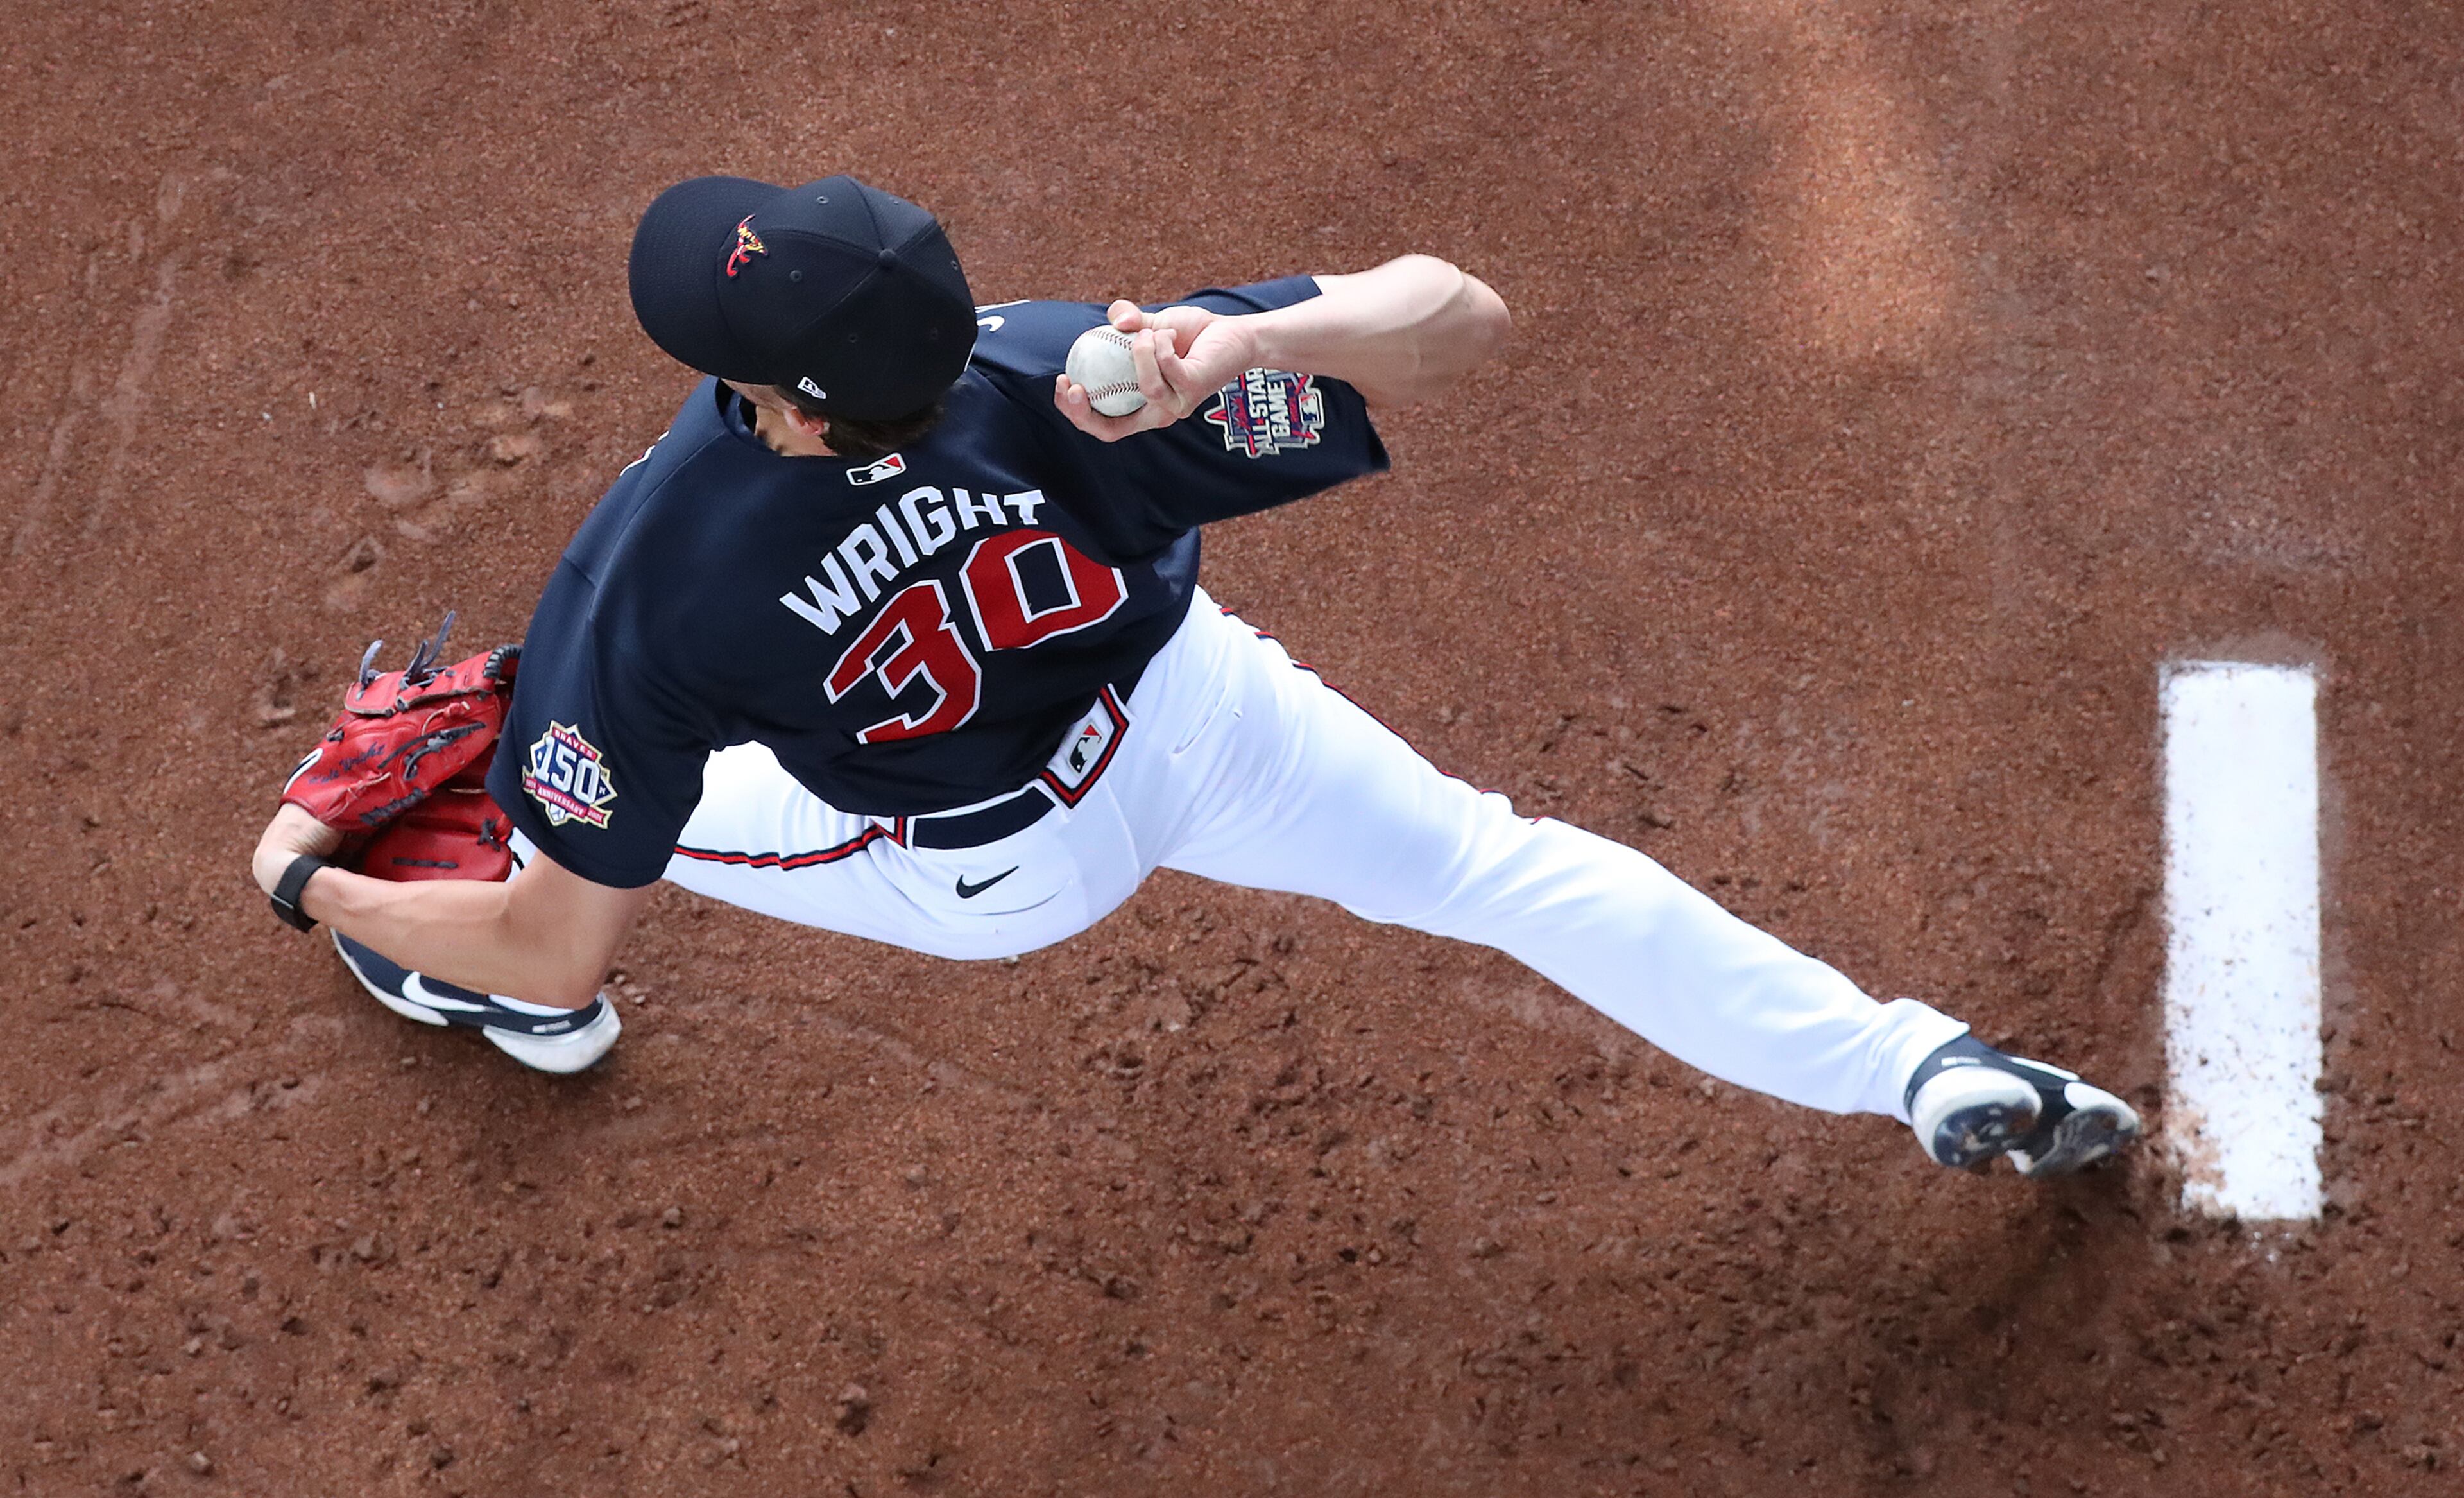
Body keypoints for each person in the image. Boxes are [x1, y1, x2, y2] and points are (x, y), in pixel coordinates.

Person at [250, 173, 2139, 1177]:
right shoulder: (1058, 364)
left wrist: (300, 877)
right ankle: (1925, 1066)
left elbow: (577, 925)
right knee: (1503, 870)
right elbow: (1458, 316)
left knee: (510, 775)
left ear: (777, 399)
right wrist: (1253, 347)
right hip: (1212, 721)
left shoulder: (648, 573)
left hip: (982, 872)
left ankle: (479, 1013)